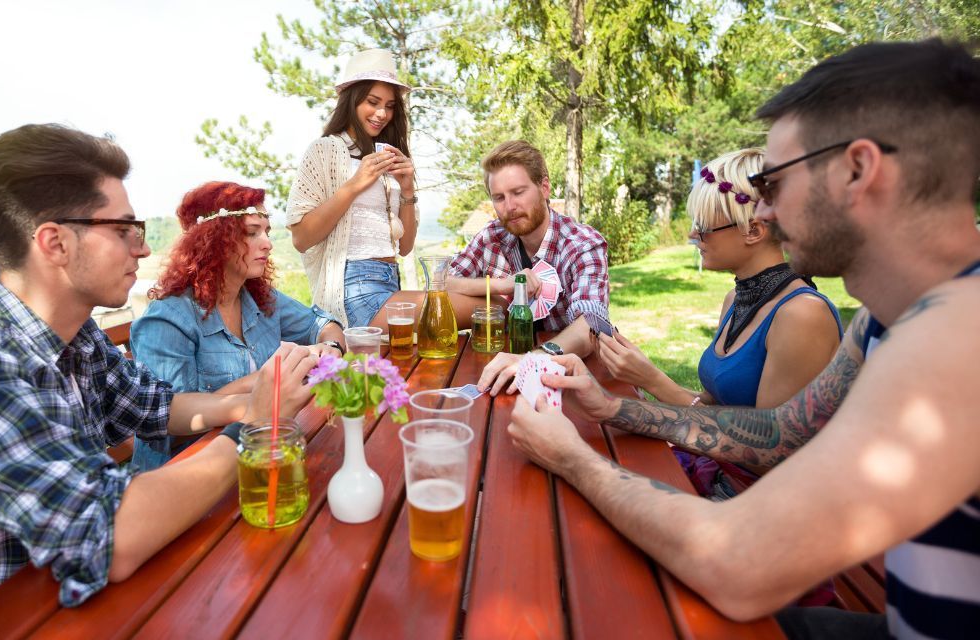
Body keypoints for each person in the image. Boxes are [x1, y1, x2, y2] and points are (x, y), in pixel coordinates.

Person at [508, 39, 980, 640]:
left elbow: (738, 566)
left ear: (858, 171)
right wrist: (610, 407)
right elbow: (781, 432)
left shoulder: (955, 338)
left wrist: (573, 458)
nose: (768, 212)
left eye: (776, 182)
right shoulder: (894, 316)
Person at [0, 124, 318, 640]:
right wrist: (256, 426)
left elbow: (158, 407)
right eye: (124, 230)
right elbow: (109, 536)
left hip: (72, 612)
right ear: (54, 242)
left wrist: (252, 400)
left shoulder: (75, 337)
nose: (142, 251)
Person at [597, 147, 842, 501]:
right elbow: (717, 409)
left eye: (704, 228)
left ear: (753, 231)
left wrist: (652, 379)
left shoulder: (801, 315)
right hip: (720, 472)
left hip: (763, 501)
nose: (693, 237)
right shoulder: (735, 300)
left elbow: (769, 456)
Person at [129, 181, 345, 470]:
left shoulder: (259, 298)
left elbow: (321, 323)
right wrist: (261, 385)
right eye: (251, 232)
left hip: (260, 452)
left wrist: (331, 346)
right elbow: (171, 422)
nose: (267, 243)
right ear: (214, 240)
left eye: (266, 232)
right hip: (190, 474)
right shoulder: (167, 320)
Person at [287, 48, 444, 329]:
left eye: (390, 105)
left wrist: (407, 190)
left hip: (390, 279)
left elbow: (405, 247)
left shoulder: (387, 156)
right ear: (352, 100)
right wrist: (354, 185)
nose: (382, 113)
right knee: (463, 307)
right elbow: (301, 238)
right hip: (354, 286)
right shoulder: (325, 150)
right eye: (373, 102)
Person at [455, 140, 609, 384]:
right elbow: (443, 282)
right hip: (502, 370)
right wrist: (505, 284)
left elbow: (591, 325)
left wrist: (532, 360)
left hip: (572, 375)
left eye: (518, 192)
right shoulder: (493, 236)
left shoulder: (582, 244)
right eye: (499, 198)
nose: (510, 207)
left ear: (544, 187)